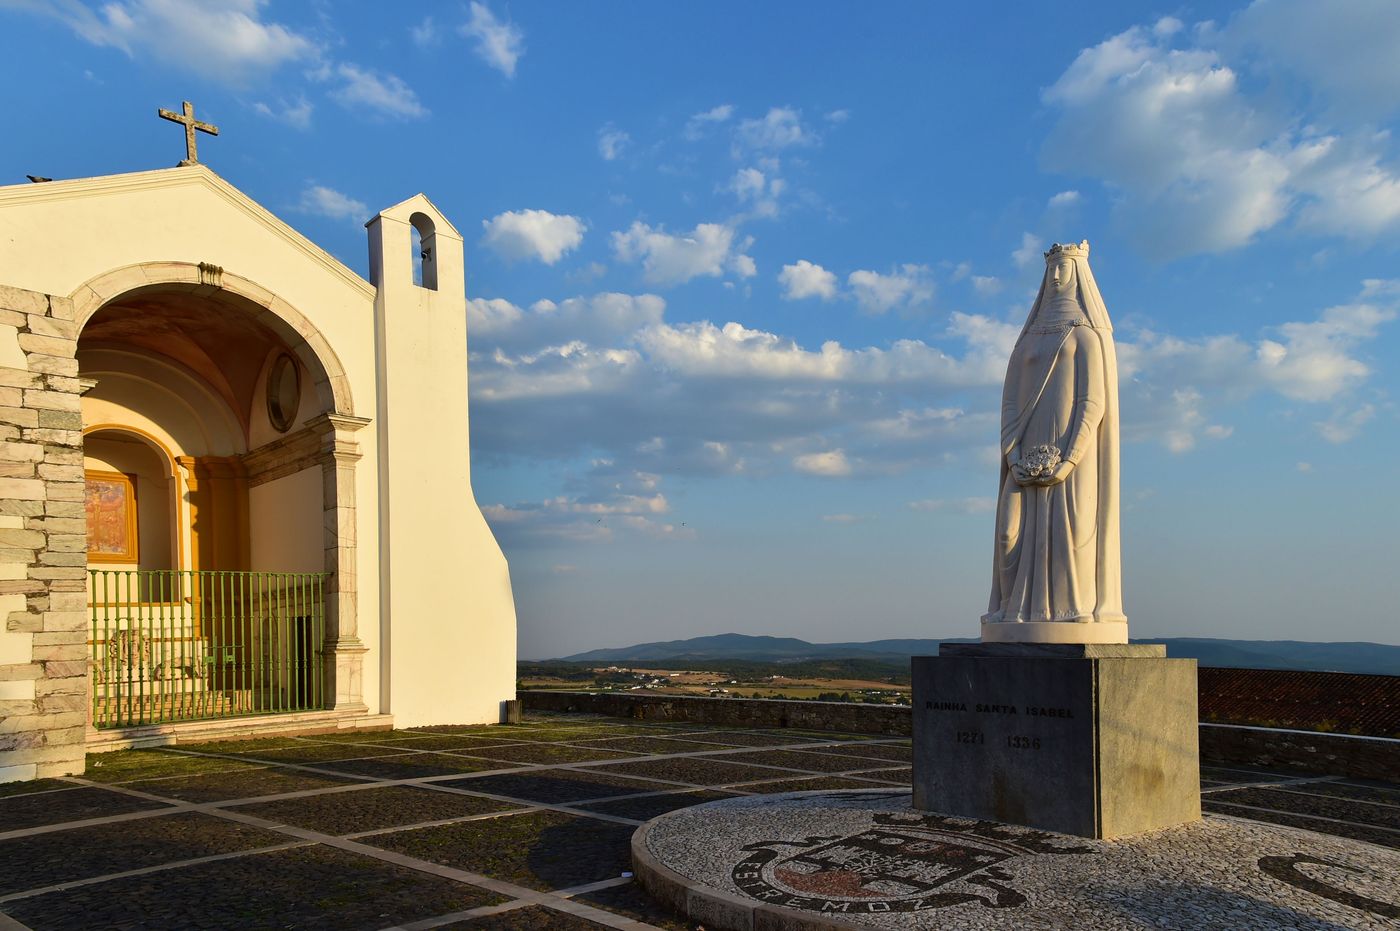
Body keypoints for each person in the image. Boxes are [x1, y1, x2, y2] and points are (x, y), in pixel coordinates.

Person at [982, 240, 1127, 643]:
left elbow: (1091, 402)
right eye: (1052, 269)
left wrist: (1070, 457)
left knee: (1072, 536)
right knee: (1008, 535)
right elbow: (1010, 401)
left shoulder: (1086, 337)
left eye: (1063, 267)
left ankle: (1071, 612)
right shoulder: (1026, 342)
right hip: (1023, 456)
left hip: (1070, 460)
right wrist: (1012, 456)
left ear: (1078, 275)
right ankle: (1011, 611)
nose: (1057, 275)